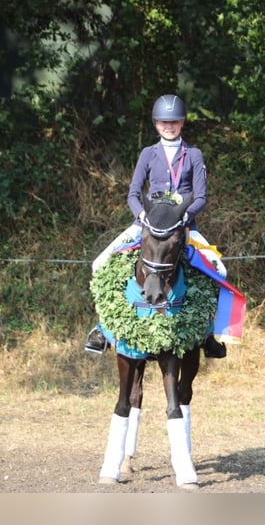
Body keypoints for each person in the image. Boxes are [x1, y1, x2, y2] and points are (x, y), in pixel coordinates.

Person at [85, 94, 227, 358]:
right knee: (99, 263)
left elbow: (201, 196)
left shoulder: (194, 155)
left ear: (182, 123)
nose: (169, 126)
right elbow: (133, 194)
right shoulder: (148, 154)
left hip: (183, 225)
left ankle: (210, 334)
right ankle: (101, 330)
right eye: (163, 122)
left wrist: (185, 216)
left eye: (173, 121)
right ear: (155, 123)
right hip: (149, 225)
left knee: (220, 269)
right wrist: (141, 216)